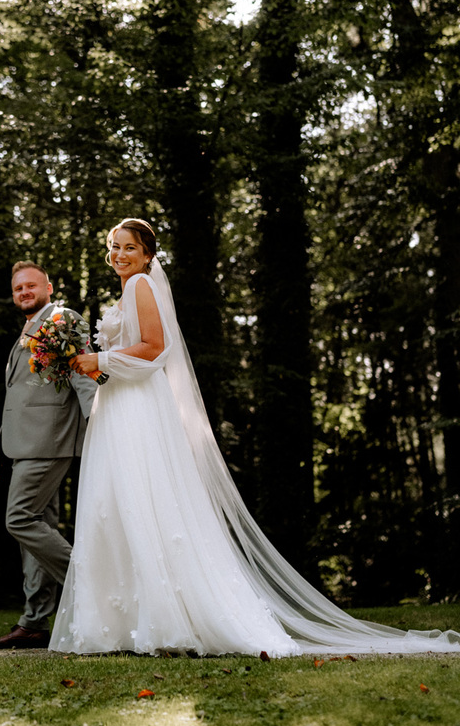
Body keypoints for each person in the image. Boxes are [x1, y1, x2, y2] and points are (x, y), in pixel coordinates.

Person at [52, 218, 460, 657]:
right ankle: (129, 622)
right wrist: (93, 361)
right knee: (121, 503)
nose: (119, 254)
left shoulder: (141, 287)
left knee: (137, 500)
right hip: (122, 403)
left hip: (136, 408)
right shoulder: (131, 289)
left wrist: (100, 357)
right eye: (114, 247)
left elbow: (154, 347)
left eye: (129, 247)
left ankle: (157, 621)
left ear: (148, 254)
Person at [0, 261, 97, 649]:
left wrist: (99, 422)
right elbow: (21, 394)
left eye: (31, 286)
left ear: (49, 286)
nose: (24, 292)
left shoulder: (63, 319)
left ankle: (93, 585)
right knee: (34, 533)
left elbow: (83, 374)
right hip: (20, 444)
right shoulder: (26, 331)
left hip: (50, 440)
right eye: (18, 289)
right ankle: (33, 622)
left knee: (19, 519)